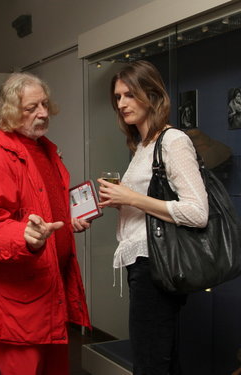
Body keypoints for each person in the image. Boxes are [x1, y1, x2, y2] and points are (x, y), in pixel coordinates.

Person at [0, 72, 91, 375]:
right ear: (9, 110)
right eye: (32, 107)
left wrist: (67, 219)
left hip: (51, 287)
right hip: (19, 300)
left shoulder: (46, 148)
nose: (44, 113)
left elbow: (44, 205)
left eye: (45, 105)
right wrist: (25, 236)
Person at [98, 60, 209, 374]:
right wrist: (122, 203)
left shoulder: (173, 141)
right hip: (144, 266)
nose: (121, 104)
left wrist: (132, 198)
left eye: (129, 95)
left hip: (157, 265)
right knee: (159, 359)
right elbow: (152, 204)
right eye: (117, 97)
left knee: (151, 362)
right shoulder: (144, 145)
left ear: (152, 94)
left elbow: (197, 212)